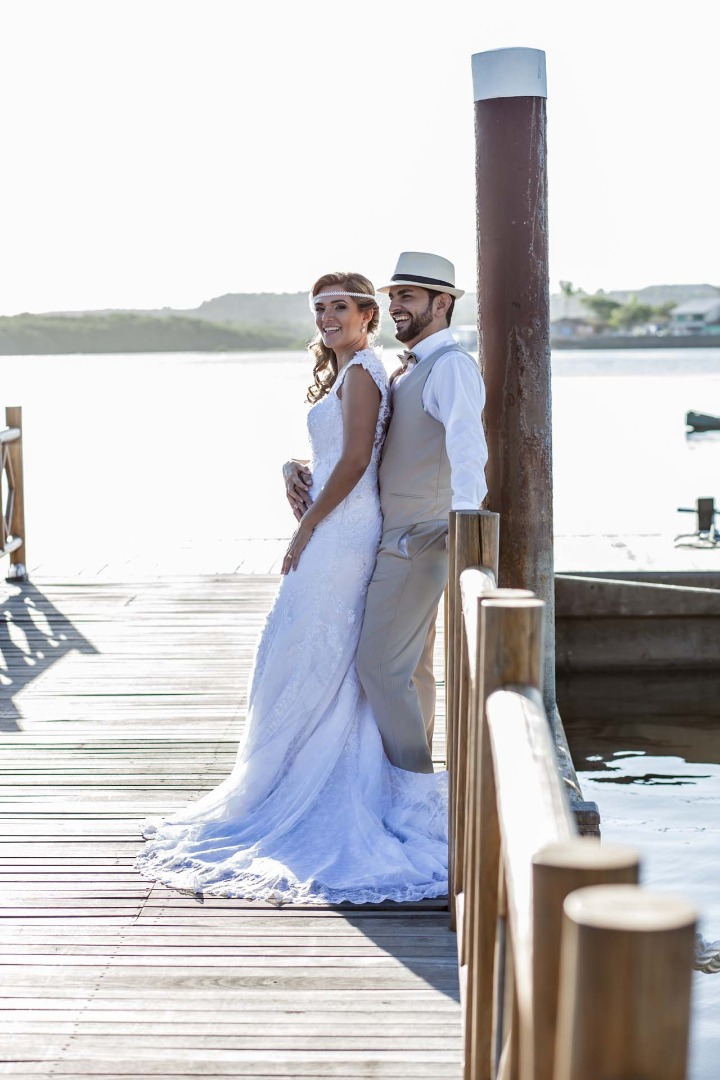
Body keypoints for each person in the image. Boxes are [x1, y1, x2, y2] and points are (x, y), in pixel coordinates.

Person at [137, 271, 448, 906]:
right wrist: (292, 466)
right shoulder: (348, 372)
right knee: (307, 648)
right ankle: (289, 775)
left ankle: (326, 782)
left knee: (316, 646)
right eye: (320, 309)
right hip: (336, 521)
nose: (328, 317)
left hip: (344, 529)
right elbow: (334, 451)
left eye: (341, 307)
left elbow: (359, 459)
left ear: (368, 316)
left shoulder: (363, 370)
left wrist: (307, 526)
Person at [358, 252, 488, 773]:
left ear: (443, 302)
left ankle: (411, 785)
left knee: (379, 666)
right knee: (412, 670)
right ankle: (423, 781)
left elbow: (467, 447)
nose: (396, 306)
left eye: (407, 296)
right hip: (403, 534)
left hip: (421, 538)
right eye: (393, 297)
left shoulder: (452, 366)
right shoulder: (408, 368)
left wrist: (464, 533)